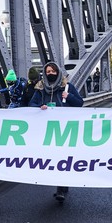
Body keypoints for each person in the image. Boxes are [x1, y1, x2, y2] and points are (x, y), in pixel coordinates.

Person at [29, 62, 84, 203]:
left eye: (53, 71)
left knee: (63, 157)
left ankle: (61, 187)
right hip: (47, 130)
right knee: (54, 157)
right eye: (48, 71)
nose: (50, 73)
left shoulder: (67, 86)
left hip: (65, 129)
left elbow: (79, 103)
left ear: (58, 72)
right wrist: (39, 107)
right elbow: (31, 104)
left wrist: (69, 96)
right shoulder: (40, 88)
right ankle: (62, 184)